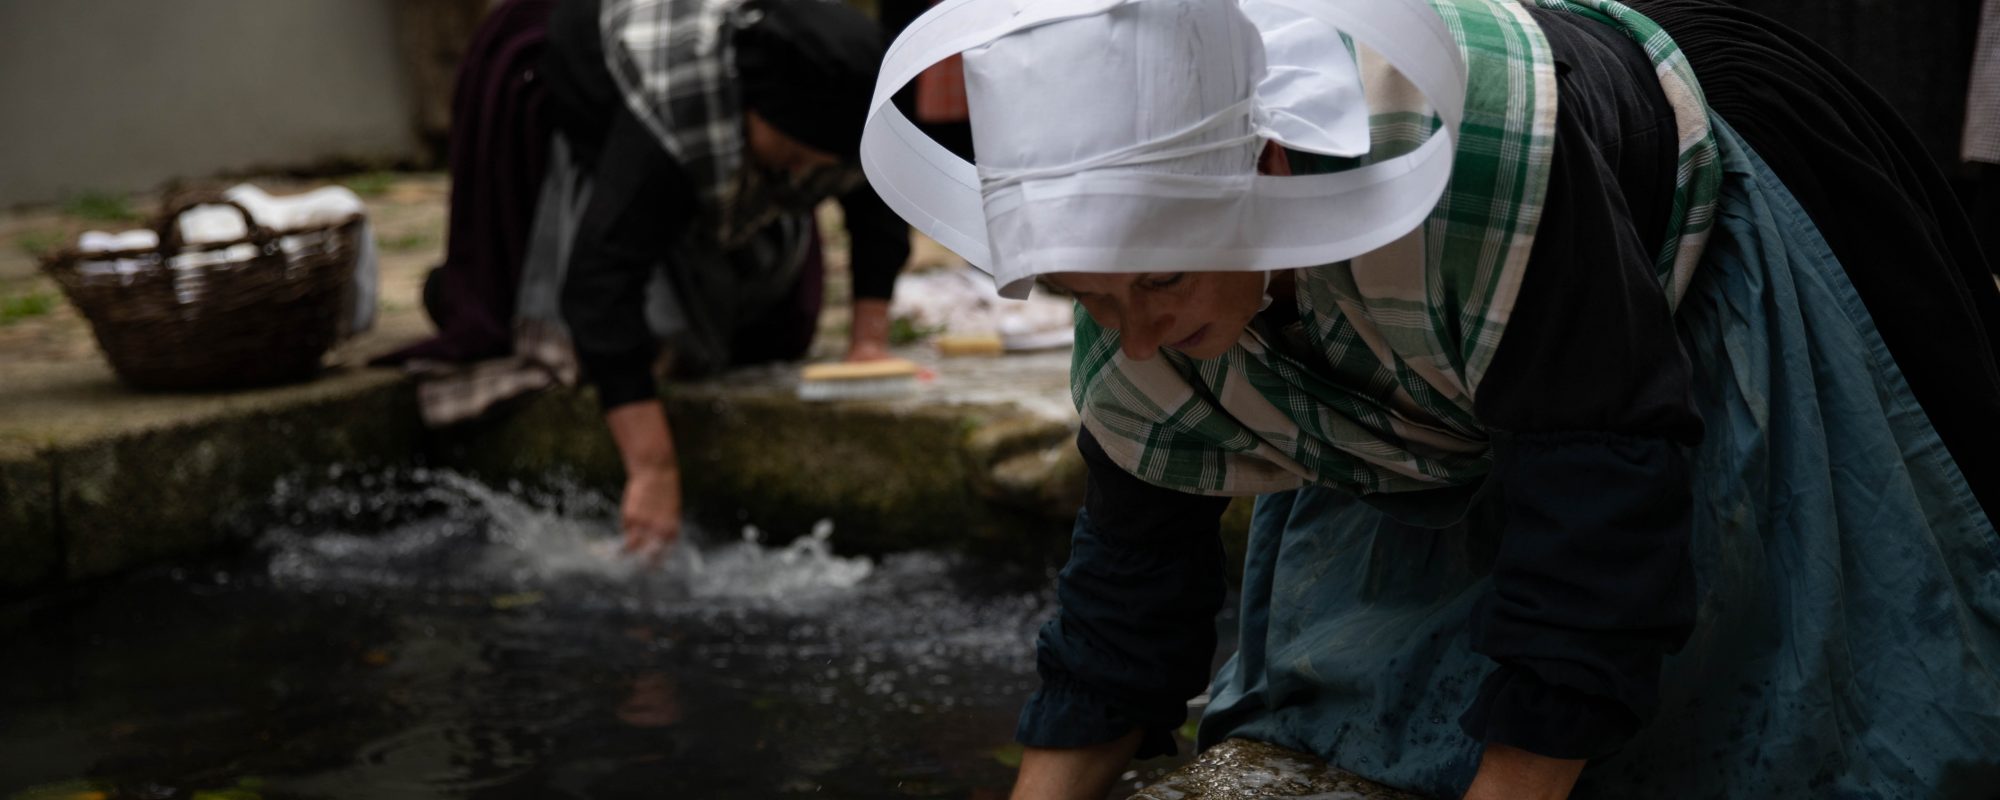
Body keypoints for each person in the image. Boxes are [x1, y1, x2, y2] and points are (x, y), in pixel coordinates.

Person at [859, 0, 2000, 798]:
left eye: (1158, 280)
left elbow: (1596, 503)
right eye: (1087, 297)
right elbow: (1128, 579)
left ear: (1264, 173)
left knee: (1792, 708)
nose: (1142, 334)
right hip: (1420, 313)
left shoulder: (1483, 176)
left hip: (1678, 204)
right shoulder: (1138, 298)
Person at [382, 0, 911, 560]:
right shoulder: (677, 104)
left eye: (819, 164)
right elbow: (603, 276)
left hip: (711, 107)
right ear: (749, 109)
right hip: (572, 62)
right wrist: (651, 467)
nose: (806, 175)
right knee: (597, 330)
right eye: (797, 155)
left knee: (772, 327)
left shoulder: (846, 93)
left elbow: (878, 209)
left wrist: (869, 345)